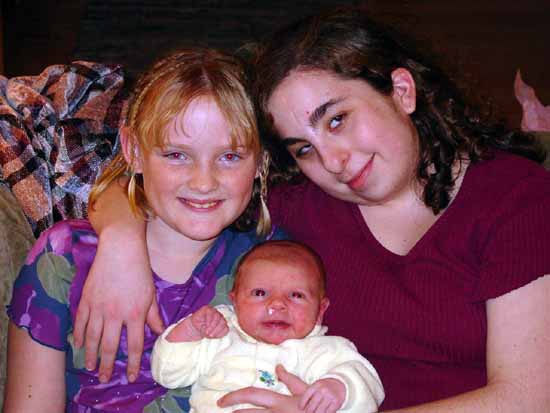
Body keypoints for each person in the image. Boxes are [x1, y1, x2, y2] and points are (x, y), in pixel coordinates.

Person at [73, 7, 550, 413]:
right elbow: (153, 175)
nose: (333, 161)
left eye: (338, 119)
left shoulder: (514, 197)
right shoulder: (303, 208)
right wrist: (120, 238)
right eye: (303, 147)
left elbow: (529, 398)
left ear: (402, 90)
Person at [3, 47, 286, 412]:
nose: (204, 182)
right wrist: (119, 240)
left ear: (260, 162)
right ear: (133, 149)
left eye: (230, 156)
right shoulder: (64, 257)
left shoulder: (280, 263)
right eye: (176, 155)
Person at [151, 240, 384, 413]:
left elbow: (366, 387)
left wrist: (339, 388)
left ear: (321, 310)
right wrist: (190, 330)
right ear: (234, 300)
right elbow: (168, 375)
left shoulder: (323, 351)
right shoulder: (219, 334)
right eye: (260, 293)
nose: (277, 304)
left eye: (296, 295)